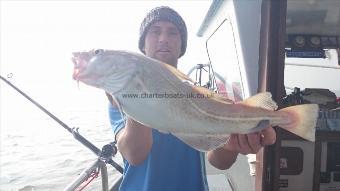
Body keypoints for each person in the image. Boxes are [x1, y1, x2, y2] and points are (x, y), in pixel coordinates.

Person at [107, 6, 276, 191]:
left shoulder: (201, 96)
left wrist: (231, 146)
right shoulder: (122, 97)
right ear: (143, 44)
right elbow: (135, 154)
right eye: (155, 31)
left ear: (182, 46)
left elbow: (218, 161)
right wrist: (138, 93)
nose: (163, 39)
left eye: (172, 33)